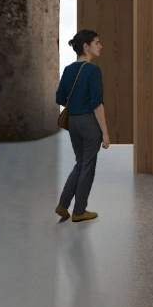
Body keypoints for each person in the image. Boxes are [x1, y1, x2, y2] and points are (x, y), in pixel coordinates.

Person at [54, 29, 108, 223]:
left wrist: (75, 101)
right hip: (89, 123)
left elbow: (60, 98)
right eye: (97, 42)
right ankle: (79, 211)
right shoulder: (93, 70)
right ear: (86, 46)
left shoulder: (68, 70)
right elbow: (97, 104)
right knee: (87, 166)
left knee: (80, 163)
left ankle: (63, 204)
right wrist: (105, 133)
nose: (100, 46)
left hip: (73, 122)